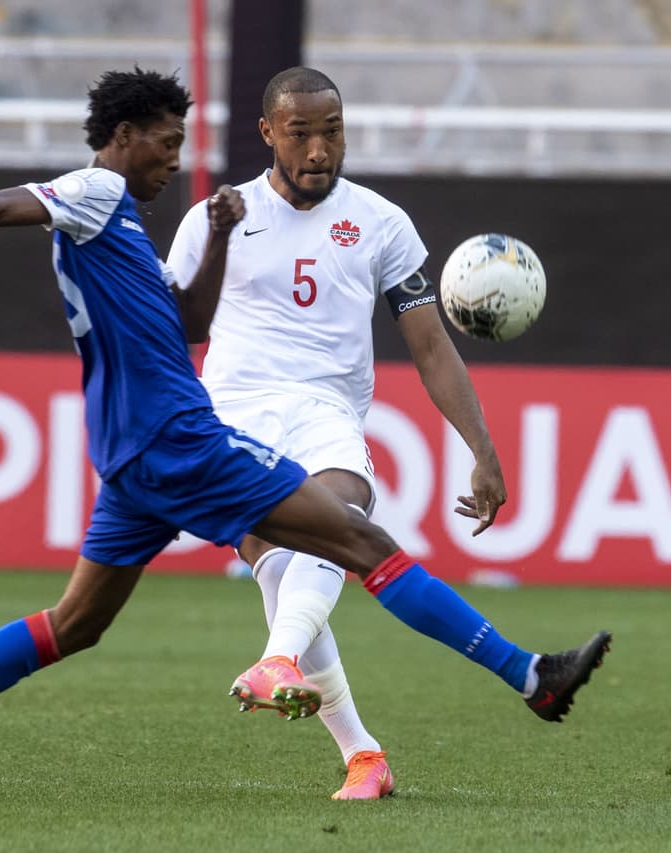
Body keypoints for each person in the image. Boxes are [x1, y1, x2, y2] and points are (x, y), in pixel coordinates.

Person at [0, 67, 612, 799]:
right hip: (186, 434)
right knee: (360, 541)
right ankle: (528, 675)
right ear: (126, 136)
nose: (175, 161)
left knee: (74, 623)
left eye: (334, 131)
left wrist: (216, 238)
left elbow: (185, 318)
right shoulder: (98, 191)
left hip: (137, 451)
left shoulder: (174, 220)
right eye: (166, 143)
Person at [165, 66, 557, 800]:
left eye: (332, 131)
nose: (319, 149)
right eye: (301, 133)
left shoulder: (381, 223)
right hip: (235, 414)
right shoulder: (217, 217)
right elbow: (174, 326)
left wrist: (481, 447)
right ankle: (363, 755)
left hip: (326, 412)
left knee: (338, 515)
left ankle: (280, 662)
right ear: (268, 133)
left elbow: (431, 347)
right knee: (280, 565)